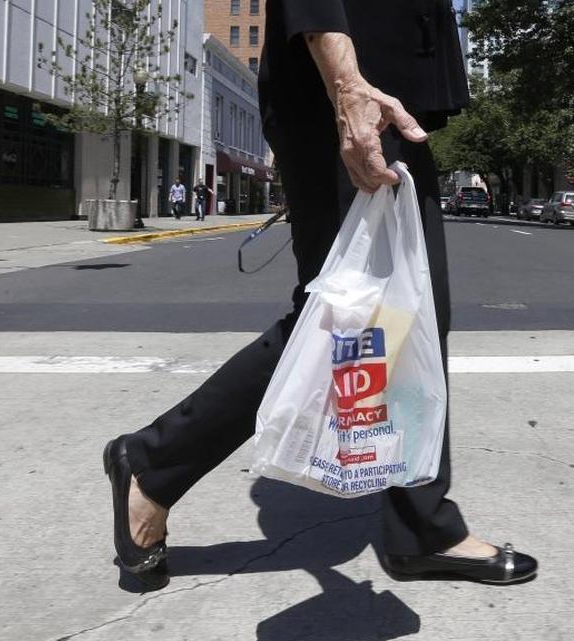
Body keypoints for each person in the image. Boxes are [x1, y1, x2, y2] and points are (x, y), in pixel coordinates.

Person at [102, 0, 538, 588]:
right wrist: (347, 88)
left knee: (406, 316)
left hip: (387, 95)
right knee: (344, 317)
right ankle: (152, 462)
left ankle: (420, 526)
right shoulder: (347, 91)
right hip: (343, 92)